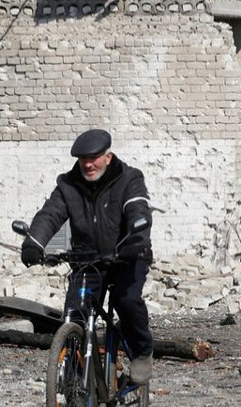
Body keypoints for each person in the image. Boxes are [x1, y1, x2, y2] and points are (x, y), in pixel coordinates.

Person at [20, 128, 154, 384]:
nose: (89, 164)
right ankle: (73, 392)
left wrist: (135, 239)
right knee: (74, 317)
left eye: (94, 158)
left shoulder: (129, 178)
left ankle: (142, 352)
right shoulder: (68, 184)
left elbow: (138, 209)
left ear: (108, 157)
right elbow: (50, 214)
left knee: (126, 301)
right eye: (83, 159)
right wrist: (34, 243)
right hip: (88, 260)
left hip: (127, 255)